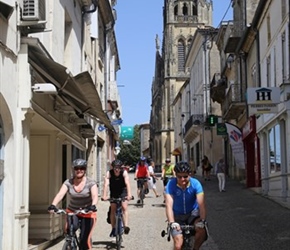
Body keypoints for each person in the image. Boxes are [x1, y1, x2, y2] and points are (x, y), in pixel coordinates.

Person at [48, 159, 98, 250]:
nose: (79, 170)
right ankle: (70, 243)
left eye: (82, 168)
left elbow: (94, 196)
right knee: (69, 231)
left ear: (85, 169)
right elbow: (60, 194)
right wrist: (53, 205)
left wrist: (93, 206)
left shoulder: (91, 182)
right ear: (73, 170)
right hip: (73, 211)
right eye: (76, 168)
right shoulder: (68, 182)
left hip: (88, 212)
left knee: (84, 241)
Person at [165, 161, 208, 250]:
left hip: (193, 214)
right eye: (179, 177)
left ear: (190, 174)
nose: (182, 179)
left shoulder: (196, 184)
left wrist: (202, 220)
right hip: (177, 216)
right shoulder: (171, 184)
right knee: (178, 245)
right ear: (175, 175)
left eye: (185, 176)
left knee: (201, 231)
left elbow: (201, 204)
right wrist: (172, 222)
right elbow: (168, 205)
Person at [102, 159, 132, 237]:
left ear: (121, 168)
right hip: (114, 192)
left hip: (123, 191)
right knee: (113, 209)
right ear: (113, 167)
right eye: (115, 167)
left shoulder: (124, 173)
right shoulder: (109, 173)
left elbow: (127, 183)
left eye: (118, 167)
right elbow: (106, 184)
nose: (117, 169)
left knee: (124, 207)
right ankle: (113, 228)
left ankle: (125, 226)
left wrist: (129, 195)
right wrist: (104, 195)